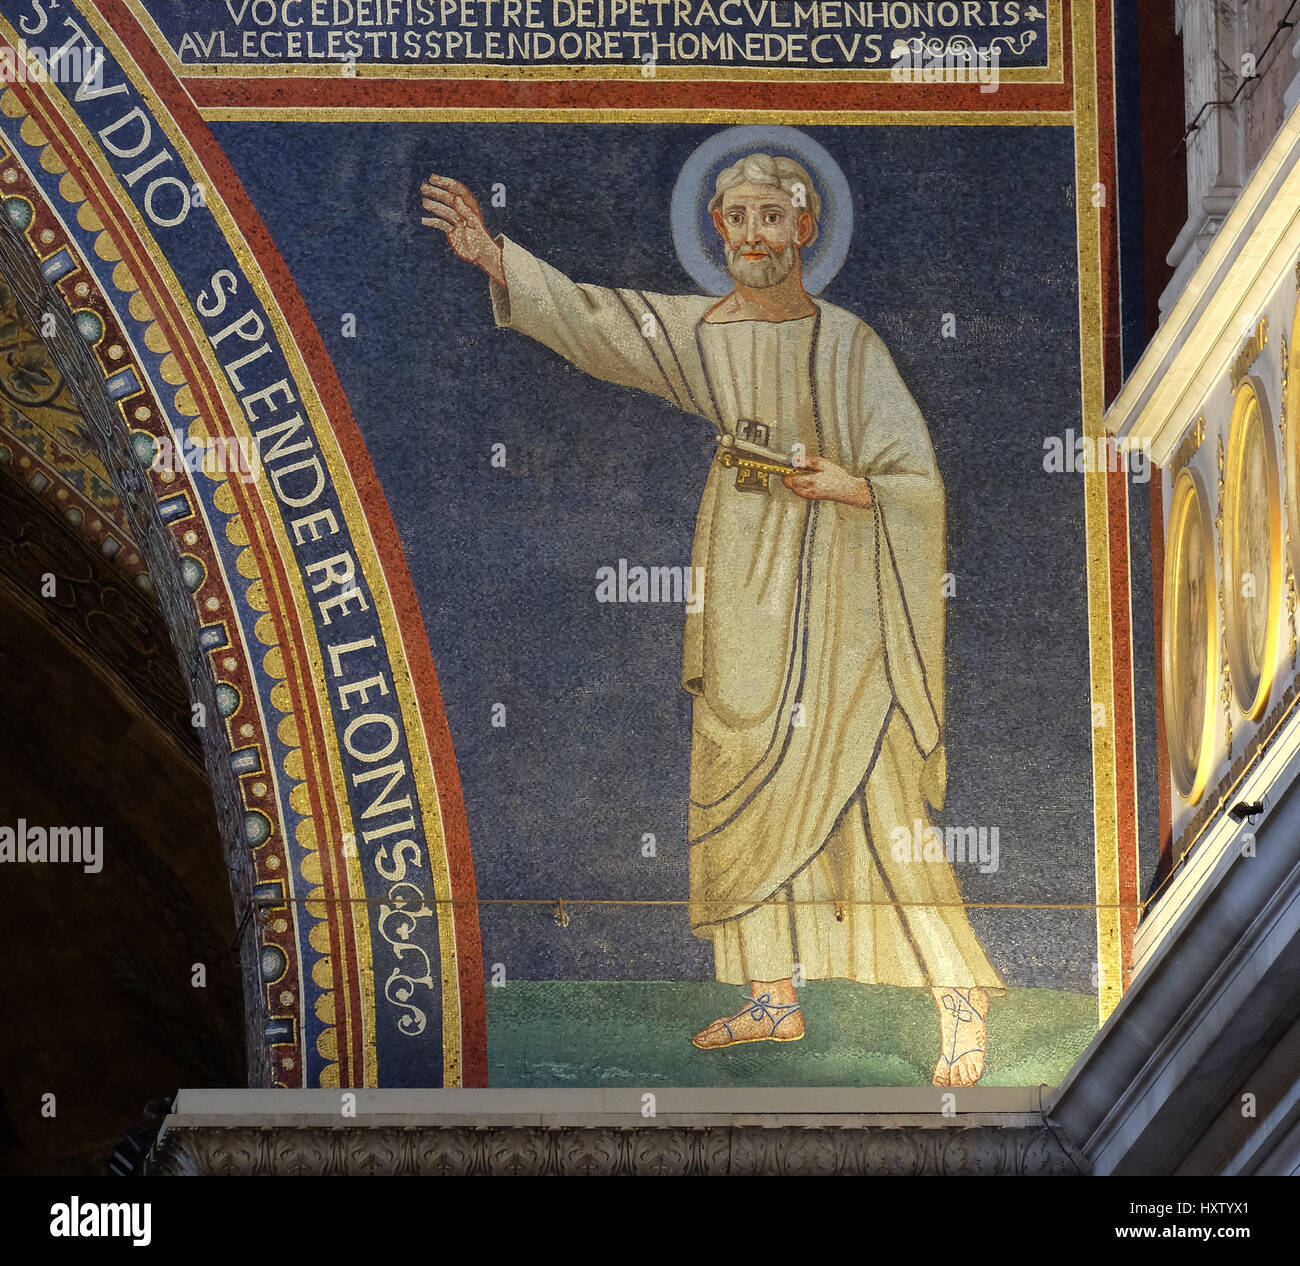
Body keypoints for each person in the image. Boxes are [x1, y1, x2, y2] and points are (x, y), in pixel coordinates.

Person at [421, 152, 1004, 1085]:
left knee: (873, 784)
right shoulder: (705, 333)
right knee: (733, 769)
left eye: (771, 216)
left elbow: (917, 483)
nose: (751, 235)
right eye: (735, 217)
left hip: (847, 594)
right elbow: (599, 321)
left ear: (805, 228)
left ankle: (959, 1000)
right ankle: (771, 994)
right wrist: (495, 259)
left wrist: (851, 486)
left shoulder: (848, 344)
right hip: (742, 579)